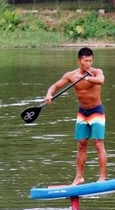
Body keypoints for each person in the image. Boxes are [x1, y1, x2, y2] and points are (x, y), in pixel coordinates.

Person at [45, 47, 107, 185]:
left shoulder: (97, 72)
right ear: (79, 61)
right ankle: (79, 177)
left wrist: (88, 78)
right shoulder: (70, 75)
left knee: (98, 143)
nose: (88, 64)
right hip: (82, 113)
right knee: (81, 144)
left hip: (96, 111)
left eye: (90, 61)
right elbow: (54, 87)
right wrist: (49, 95)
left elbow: (101, 80)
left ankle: (102, 178)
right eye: (85, 61)